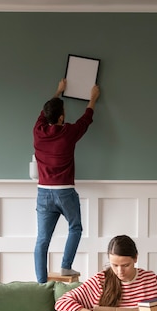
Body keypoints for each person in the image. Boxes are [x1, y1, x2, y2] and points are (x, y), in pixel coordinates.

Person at [33, 78, 100, 283]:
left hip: (43, 192)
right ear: (62, 117)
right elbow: (85, 120)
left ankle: (41, 283)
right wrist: (93, 99)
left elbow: (44, 113)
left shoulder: (38, 131)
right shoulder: (67, 133)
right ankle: (65, 266)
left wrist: (58, 91)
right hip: (65, 192)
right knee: (75, 227)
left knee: (42, 239)